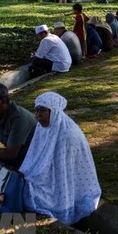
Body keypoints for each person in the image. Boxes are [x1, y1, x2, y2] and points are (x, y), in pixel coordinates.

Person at [19, 91, 101, 225]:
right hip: (47, 173)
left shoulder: (67, 134)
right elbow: (35, 155)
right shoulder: (42, 127)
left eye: (43, 111)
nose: (38, 115)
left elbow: (62, 170)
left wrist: (35, 178)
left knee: (33, 192)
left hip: (62, 181)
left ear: (54, 112)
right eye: (37, 111)